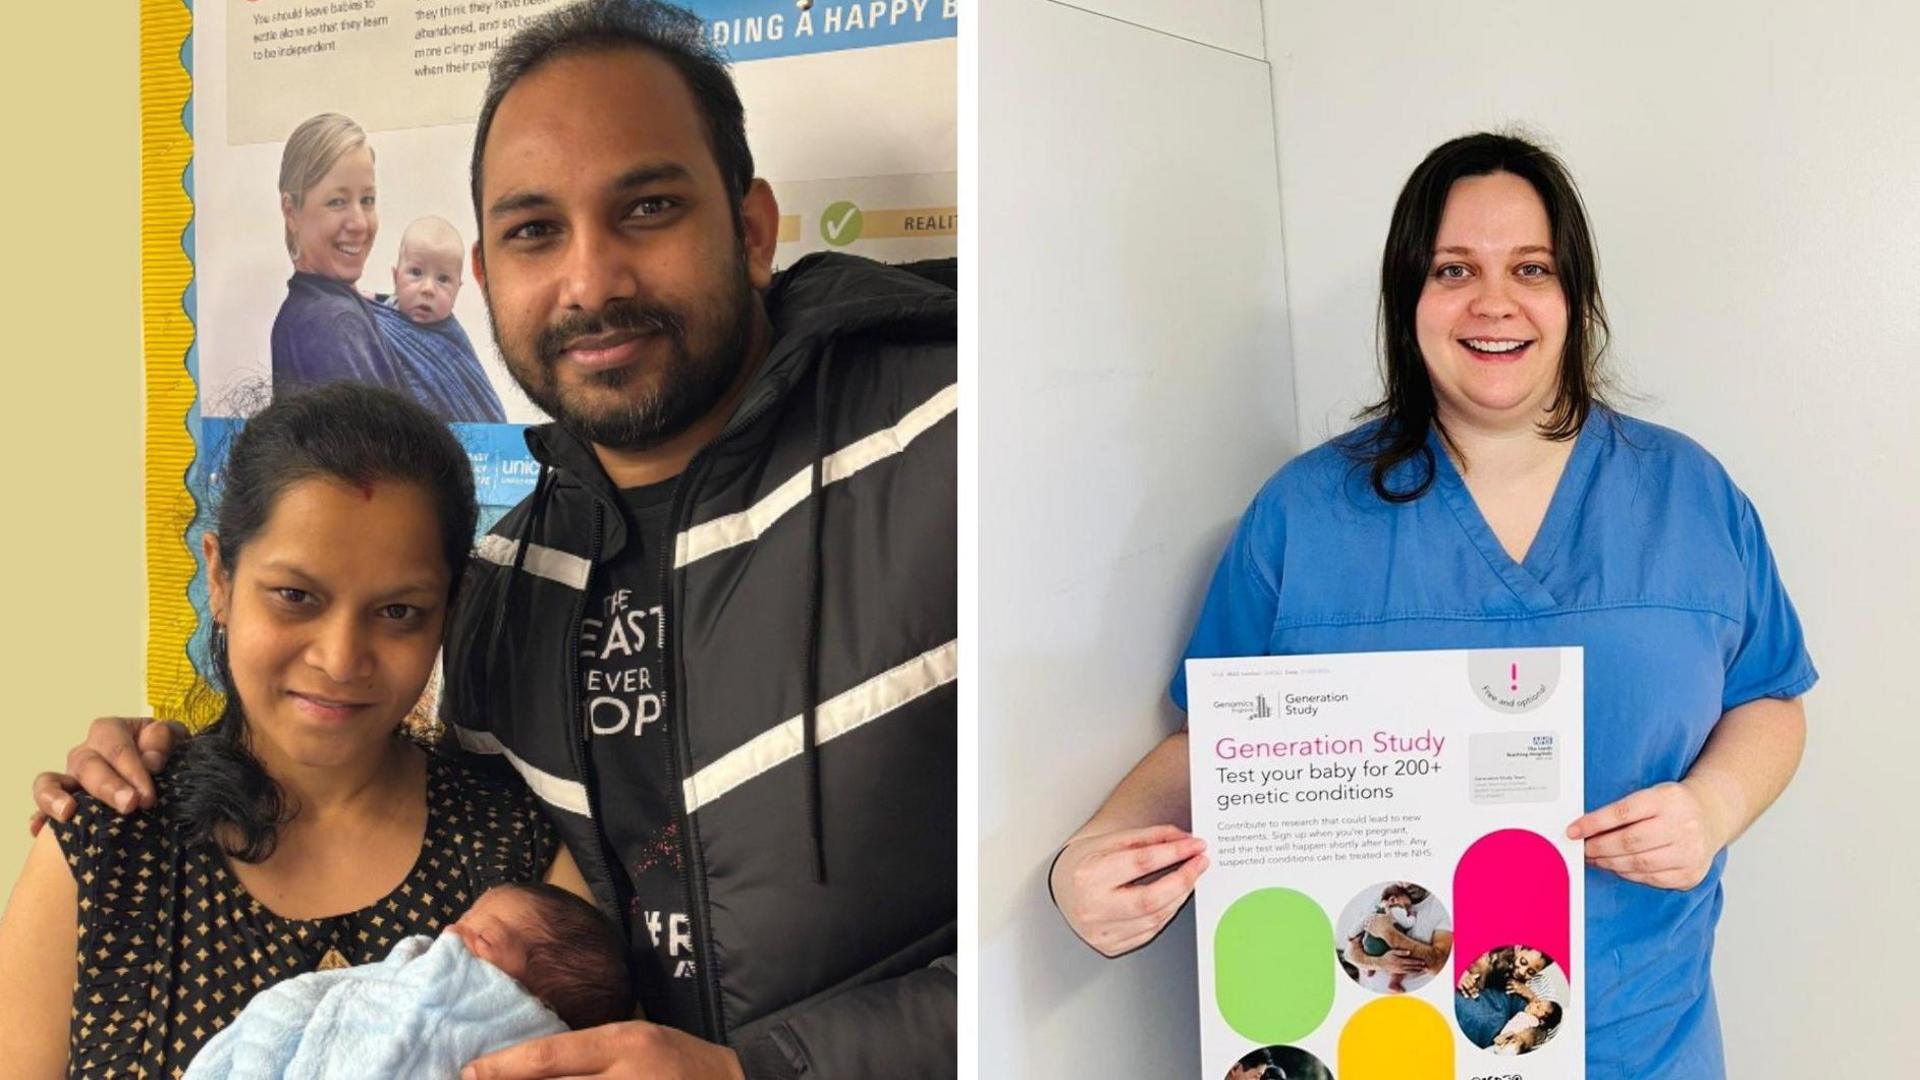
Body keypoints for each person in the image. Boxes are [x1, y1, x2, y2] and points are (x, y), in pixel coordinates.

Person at [34, 3, 957, 1077]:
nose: (590, 281)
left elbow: (1131, 892)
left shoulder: (956, 447)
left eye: (648, 207)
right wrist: (146, 754)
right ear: (485, 270)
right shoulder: (511, 591)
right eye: (534, 231)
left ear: (752, 228)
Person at [1048, 132, 1812, 1080]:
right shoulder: (1301, 517)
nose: (1495, 301)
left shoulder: (1692, 499)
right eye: (1455, 269)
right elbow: (1223, 741)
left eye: (1530, 267)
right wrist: (1090, 857)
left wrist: (1715, 803)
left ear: (1574, 296)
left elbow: (1771, 698)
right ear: (1409, 299)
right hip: (1382, 1047)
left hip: (1642, 1044)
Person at [0, 383, 591, 1077]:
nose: (340, 659)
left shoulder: (517, 860)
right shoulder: (108, 846)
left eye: (399, 611)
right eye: (295, 597)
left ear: (449, 611)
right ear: (219, 578)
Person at [184, 883, 632, 1079]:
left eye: (483, 937)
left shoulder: (515, 1041)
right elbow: (291, 1008)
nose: (450, 934)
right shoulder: (407, 974)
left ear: (536, 1007)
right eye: (461, 920)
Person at [270, 113, 410, 396]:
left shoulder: (307, 309)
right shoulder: (334, 324)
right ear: (290, 211)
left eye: (367, 200)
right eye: (337, 202)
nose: (358, 223)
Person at [369, 215, 510, 423]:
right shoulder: (375, 317)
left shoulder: (452, 341)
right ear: (395, 277)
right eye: (416, 273)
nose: (428, 289)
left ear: (457, 290)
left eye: (443, 279)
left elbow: (479, 406)